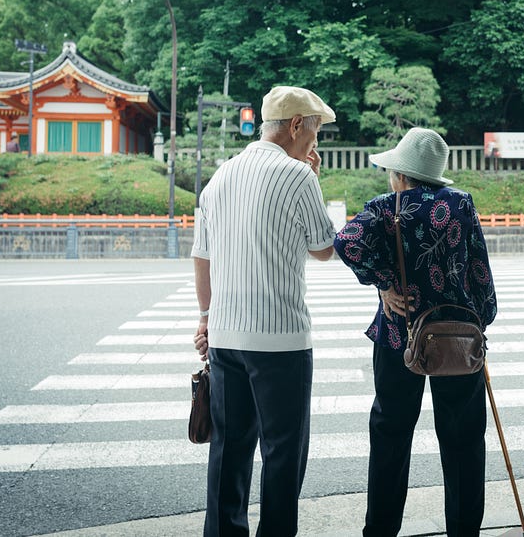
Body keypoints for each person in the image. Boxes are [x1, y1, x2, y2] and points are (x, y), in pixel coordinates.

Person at [333, 127, 498, 536]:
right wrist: (483, 318)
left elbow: (345, 242)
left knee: (391, 435)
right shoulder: (460, 204)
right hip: (459, 338)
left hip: (399, 336)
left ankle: (381, 531)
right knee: (463, 441)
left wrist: (385, 283)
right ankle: (463, 531)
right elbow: (480, 270)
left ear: (402, 175)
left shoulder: (386, 207)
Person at [191, 85, 337, 536]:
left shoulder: (220, 176)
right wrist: (312, 177)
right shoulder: (298, 176)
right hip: (280, 340)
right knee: (282, 452)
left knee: (229, 450)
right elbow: (324, 248)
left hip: (226, 337)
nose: (316, 143)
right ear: (296, 126)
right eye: (315, 132)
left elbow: (202, 255)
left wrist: (205, 319)